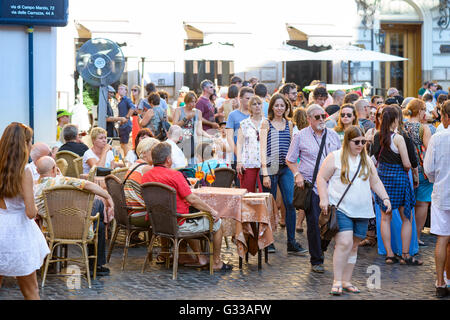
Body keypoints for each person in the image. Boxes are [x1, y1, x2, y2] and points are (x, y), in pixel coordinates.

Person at [317, 125, 391, 295]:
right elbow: (321, 178)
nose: (360, 145)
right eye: (356, 142)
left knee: (354, 246)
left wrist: (385, 197)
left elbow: (375, 181)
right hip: (341, 208)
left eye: (363, 142)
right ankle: (336, 280)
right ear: (347, 141)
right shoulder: (335, 157)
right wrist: (324, 198)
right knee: (344, 242)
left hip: (363, 210)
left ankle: (346, 280)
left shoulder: (365, 159)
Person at [141, 142, 232, 271]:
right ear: (168, 160)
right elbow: (192, 199)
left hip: (158, 225)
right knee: (217, 223)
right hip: (178, 225)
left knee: (188, 216)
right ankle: (216, 262)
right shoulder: (175, 175)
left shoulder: (145, 177)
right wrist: (212, 211)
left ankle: (193, 257)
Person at [34, 156, 113, 276]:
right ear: (54, 168)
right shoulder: (63, 180)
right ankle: (96, 264)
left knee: (99, 220)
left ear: (37, 171)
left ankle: (96, 261)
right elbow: (88, 185)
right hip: (78, 228)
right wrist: (108, 197)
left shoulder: (35, 189)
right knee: (98, 204)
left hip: (52, 231)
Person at [286, 104, 341, 272]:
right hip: (312, 186)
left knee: (333, 222)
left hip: (332, 186)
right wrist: (297, 175)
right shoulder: (300, 136)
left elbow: (340, 158)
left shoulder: (333, 136)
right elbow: (290, 159)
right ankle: (316, 259)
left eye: (323, 116)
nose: (321, 120)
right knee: (313, 222)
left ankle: (322, 247)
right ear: (309, 119)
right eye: (317, 117)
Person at [0, 122, 49, 300]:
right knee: (31, 291)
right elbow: (30, 212)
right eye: (30, 142)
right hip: (17, 234)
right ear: (24, 144)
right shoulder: (24, 171)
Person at [370, 106, 422, 265]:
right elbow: (408, 164)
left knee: (385, 218)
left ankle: (389, 254)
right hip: (399, 179)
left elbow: (372, 160)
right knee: (407, 217)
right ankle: (405, 254)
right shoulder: (399, 138)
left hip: (383, 181)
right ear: (395, 119)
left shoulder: (377, 136)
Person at [260, 93, 308, 256]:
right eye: (277, 105)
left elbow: (293, 148)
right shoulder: (266, 124)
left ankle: (291, 242)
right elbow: (262, 149)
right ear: (272, 107)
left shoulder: (289, 125)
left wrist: (296, 170)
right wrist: (265, 173)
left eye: (282, 105)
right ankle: (269, 241)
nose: (280, 108)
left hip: (285, 167)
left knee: (289, 202)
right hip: (270, 167)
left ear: (287, 107)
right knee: (269, 206)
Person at [424, 100, 450, 297]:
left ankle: (441, 282)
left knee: (442, 239)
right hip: (442, 191)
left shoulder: (438, 137)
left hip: (442, 192)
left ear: (445, 116)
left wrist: (436, 179)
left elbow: (429, 169)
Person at [403, 99, 433, 247]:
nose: (425, 113)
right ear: (419, 111)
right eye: (424, 109)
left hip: (405, 169)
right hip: (421, 170)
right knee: (422, 204)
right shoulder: (423, 128)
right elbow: (429, 149)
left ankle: (406, 236)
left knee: (408, 204)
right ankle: (417, 236)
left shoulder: (402, 125)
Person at [172, 91, 211, 167]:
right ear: (186, 101)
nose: (192, 104)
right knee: (180, 163)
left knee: (191, 164)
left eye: (194, 102)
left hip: (192, 142)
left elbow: (199, 130)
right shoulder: (178, 110)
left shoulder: (198, 112)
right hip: (180, 141)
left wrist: (209, 136)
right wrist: (186, 118)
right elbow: (174, 126)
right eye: (190, 102)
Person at [226, 87, 254, 185]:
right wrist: (238, 155)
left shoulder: (255, 114)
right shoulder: (233, 115)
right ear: (240, 99)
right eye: (247, 98)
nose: (250, 101)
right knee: (240, 185)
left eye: (252, 98)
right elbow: (229, 137)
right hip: (238, 157)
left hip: (254, 157)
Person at [236, 96, 264, 192]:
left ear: (262, 106)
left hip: (264, 163)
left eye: (259, 103)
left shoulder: (267, 122)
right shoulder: (244, 124)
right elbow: (239, 144)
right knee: (247, 193)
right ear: (249, 107)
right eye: (254, 104)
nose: (257, 106)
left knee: (264, 193)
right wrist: (239, 162)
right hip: (248, 162)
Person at [291, 107, 309, 233]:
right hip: (302, 163)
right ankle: (299, 223)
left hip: (296, 163)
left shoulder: (294, 129)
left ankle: (297, 223)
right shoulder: (305, 132)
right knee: (305, 195)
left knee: (302, 194)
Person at [117, 84, 137, 156]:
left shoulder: (127, 99)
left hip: (126, 125)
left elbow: (133, 107)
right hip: (122, 125)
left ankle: (127, 160)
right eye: (119, 89)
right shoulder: (121, 100)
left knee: (125, 145)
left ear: (126, 91)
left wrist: (127, 117)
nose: (120, 90)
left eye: (122, 89)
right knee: (122, 144)